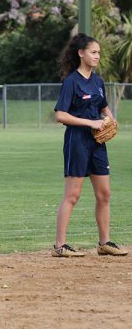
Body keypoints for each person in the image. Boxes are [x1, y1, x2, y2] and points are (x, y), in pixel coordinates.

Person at [52, 33, 128, 258]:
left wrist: (110, 119)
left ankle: (104, 242)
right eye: (93, 52)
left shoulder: (97, 81)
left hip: (97, 143)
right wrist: (91, 122)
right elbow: (61, 115)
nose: (97, 56)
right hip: (77, 141)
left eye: (98, 53)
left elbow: (103, 107)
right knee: (72, 195)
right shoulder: (71, 82)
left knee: (104, 194)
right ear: (81, 53)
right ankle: (60, 245)